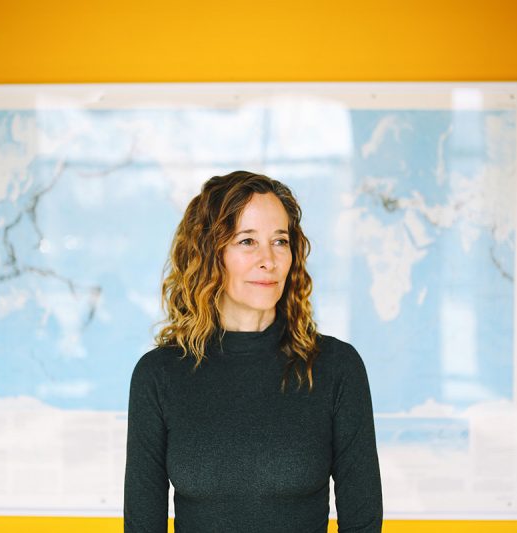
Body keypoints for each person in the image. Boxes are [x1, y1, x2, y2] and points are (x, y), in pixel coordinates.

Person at [124, 170, 383, 532]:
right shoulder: (160, 374)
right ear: (210, 254)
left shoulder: (336, 368)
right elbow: (142, 526)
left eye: (280, 241)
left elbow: (363, 524)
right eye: (247, 241)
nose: (269, 260)